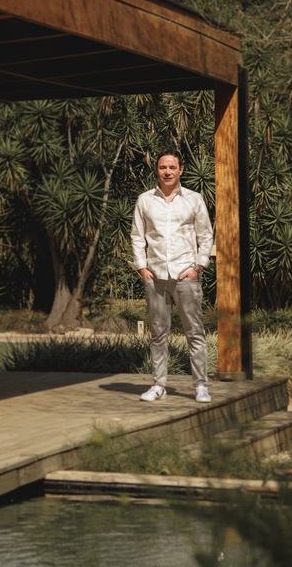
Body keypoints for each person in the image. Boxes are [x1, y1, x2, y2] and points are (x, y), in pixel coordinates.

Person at [130, 150, 214, 403]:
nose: (167, 171)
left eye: (172, 167)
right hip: (155, 276)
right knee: (158, 333)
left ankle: (200, 386)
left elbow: (206, 235)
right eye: (163, 167)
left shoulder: (194, 199)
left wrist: (198, 267)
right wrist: (142, 268)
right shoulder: (144, 200)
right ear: (156, 170)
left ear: (181, 170)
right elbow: (137, 236)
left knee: (195, 332)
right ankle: (159, 385)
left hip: (185, 274)